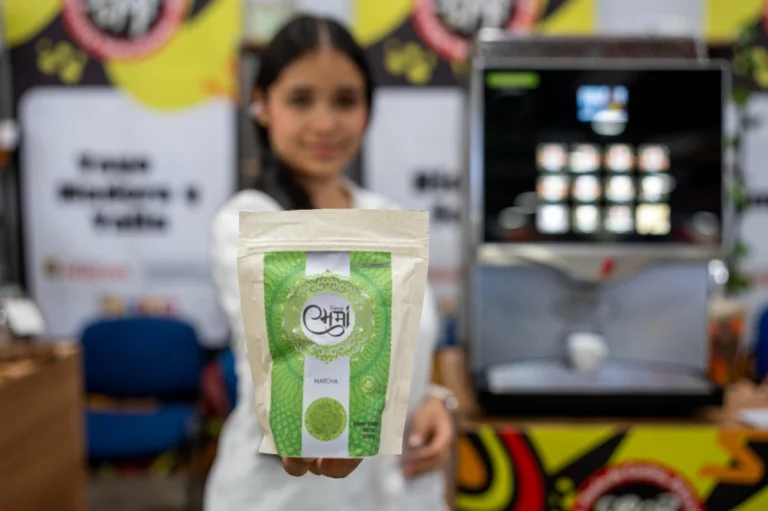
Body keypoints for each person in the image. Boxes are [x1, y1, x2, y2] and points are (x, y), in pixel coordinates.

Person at [204, 14, 455, 511]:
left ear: (367, 110)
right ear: (262, 104)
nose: (324, 123)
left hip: (401, 491)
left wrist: (435, 400)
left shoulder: (386, 218)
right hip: (284, 497)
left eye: (345, 100)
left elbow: (410, 351)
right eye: (301, 100)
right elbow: (281, 364)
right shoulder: (246, 223)